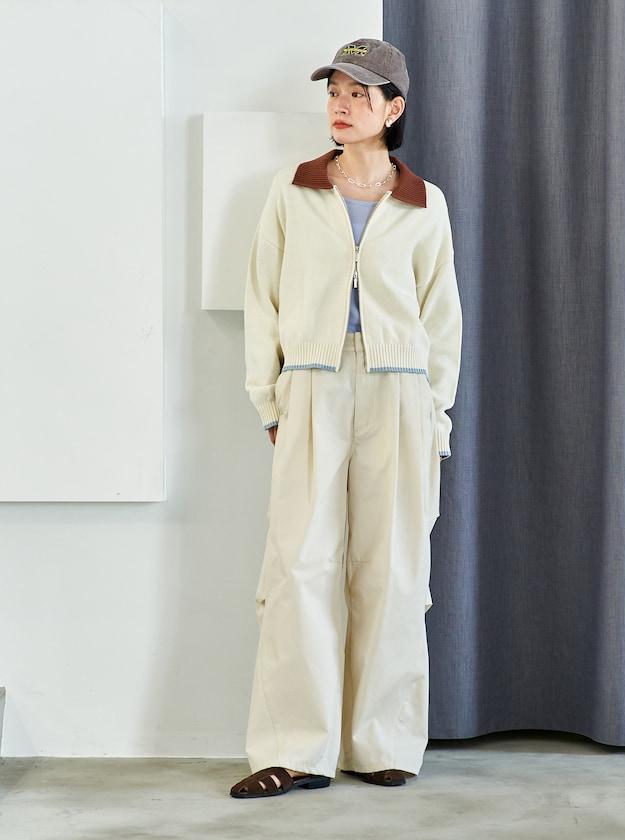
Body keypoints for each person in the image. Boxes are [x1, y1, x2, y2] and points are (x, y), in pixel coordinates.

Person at [230, 37, 462, 799]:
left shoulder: (425, 203)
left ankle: (382, 741)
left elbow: (442, 317)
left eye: (359, 94)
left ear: (393, 109)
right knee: (298, 564)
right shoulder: (293, 189)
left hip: (400, 391)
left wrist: (437, 416)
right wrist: (269, 397)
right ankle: (294, 750)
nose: (340, 104)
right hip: (312, 384)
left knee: (393, 568)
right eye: (334, 90)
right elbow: (262, 295)